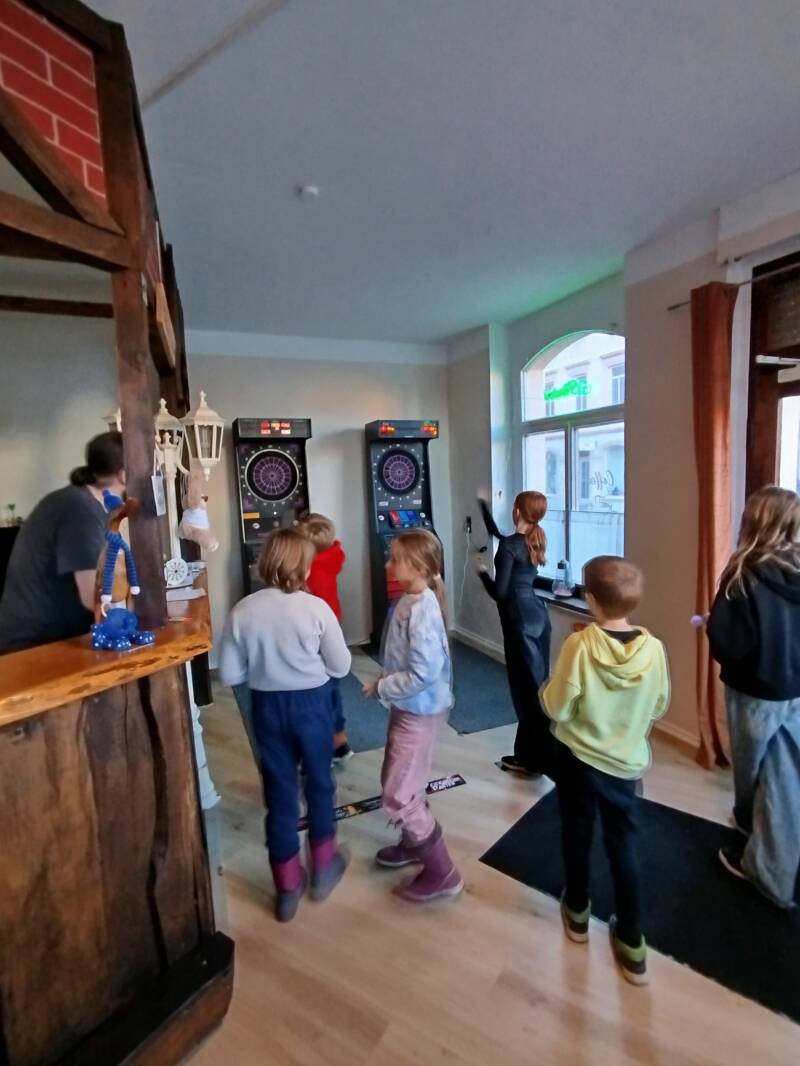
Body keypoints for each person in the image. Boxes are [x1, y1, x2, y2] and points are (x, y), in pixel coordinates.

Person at [541, 556, 670, 986]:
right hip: (624, 766)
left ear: (591, 600)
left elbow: (558, 707)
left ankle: (577, 912)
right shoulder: (654, 650)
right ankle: (632, 942)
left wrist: (546, 694)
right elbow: (659, 705)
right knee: (623, 843)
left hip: (578, 760)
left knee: (577, 833)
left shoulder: (579, 646)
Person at [218, 528, 352, 922]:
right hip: (313, 706)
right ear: (305, 567)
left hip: (266, 708)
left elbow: (229, 674)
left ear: (264, 564)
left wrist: (264, 669)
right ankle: (324, 867)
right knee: (320, 783)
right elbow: (341, 666)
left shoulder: (242, 610)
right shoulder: (316, 609)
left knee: (279, 794)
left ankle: (287, 887)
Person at [707, 486, 800, 909]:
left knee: (752, 776)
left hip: (754, 694)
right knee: (786, 776)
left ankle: (760, 862)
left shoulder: (743, 574)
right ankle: (775, 859)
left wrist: (712, 624)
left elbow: (729, 643)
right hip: (795, 692)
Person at [363, 529, 463, 903]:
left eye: (395, 559)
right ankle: (412, 843)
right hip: (410, 707)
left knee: (399, 793)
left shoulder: (422, 610)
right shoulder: (412, 598)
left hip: (417, 710)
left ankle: (442, 872)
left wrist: (383, 686)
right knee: (407, 776)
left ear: (420, 567)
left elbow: (423, 673)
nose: (388, 564)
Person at [0, 431, 125, 653]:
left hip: (51, 639)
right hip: (32, 648)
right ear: (124, 475)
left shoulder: (82, 502)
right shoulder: (80, 510)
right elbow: (94, 598)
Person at [476, 492, 554, 776]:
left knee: (526, 694)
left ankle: (535, 760)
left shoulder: (511, 545)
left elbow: (500, 593)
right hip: (539, 618)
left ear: (518, 511)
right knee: (537, 690)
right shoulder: (535, 539)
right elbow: (500, 535)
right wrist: (483, 508)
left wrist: (482, 573)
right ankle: (528, 755)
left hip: (519, 621)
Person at [297, 512, 352, 763]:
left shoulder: (312, 571)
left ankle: (323, 746)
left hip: (315, 631)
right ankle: (338, 740)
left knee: (316, 687)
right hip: (333, 625)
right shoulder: (333, 556)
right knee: (332, 686)